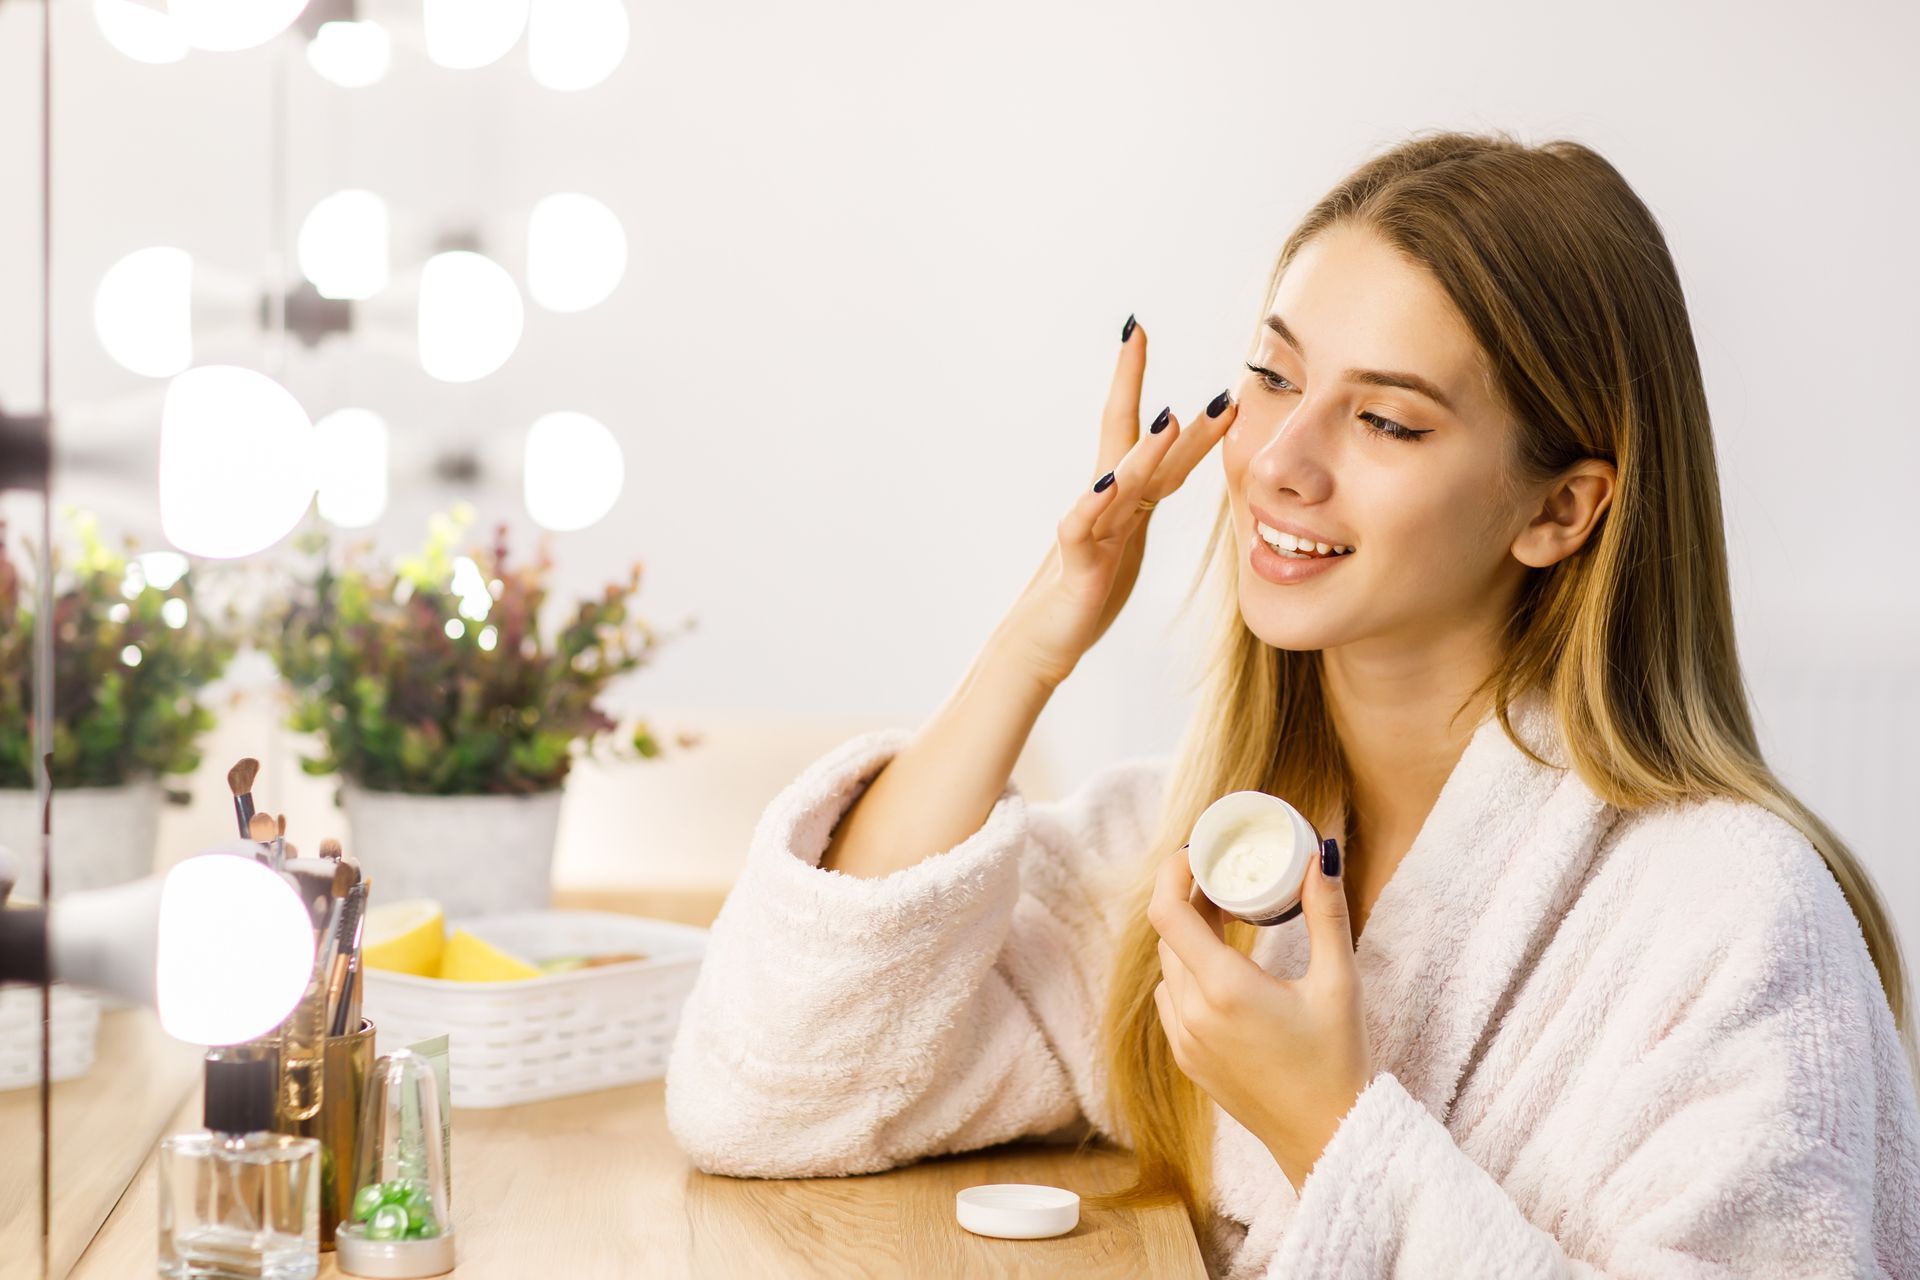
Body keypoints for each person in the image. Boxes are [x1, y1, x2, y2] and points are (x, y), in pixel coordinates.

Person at [663, 130, 1920, 1278]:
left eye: (1384, 419)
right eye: (1271, 374)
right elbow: (780, 1086)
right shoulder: (1206, 854)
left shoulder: (1734, 919)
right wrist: (1041, 634)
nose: (1278, 458)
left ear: (1560, 508)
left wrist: (1328, 1128)